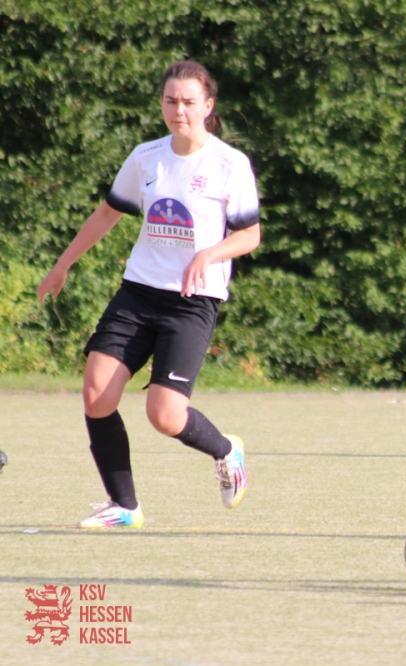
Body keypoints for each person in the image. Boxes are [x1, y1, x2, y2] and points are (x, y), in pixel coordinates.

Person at [37, 60, 260, 528]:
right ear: (161, 103)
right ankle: (125, 507)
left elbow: (249, 235)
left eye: (189, 102)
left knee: (164, 415)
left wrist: (209, 254)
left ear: (208, 106)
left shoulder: (229, 164)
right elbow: (108, 213)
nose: (179, 110)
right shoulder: (147, 156)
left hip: (193, 302)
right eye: (171, 101)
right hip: (138, 293)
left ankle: (226, 450)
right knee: (96, 393)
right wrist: (63, 264)